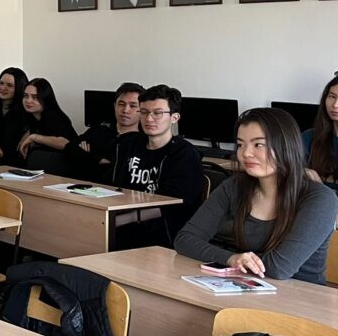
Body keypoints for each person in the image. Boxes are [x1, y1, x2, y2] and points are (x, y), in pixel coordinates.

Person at [175, 108, 338, 284]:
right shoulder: (234, 186)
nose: (246, 153)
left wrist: (233, 259)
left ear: (285, 145)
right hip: (246, 285)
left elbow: (279, 268)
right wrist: (232, 258)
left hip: (300, 295)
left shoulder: (320, 199)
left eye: (258, 145)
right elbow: (185, 240)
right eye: (240, 145)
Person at [104, 84, 203, 240]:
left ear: (174, 118)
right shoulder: (128, 145)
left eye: (157, 113)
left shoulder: (185, 155)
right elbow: (115, 187)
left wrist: (122, 219)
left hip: (162, 231)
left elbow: (173, 204)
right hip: (121, 220)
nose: (149, 119)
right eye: (144, 112)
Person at [62, 82, 144, 179]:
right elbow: (70, 149)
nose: (125, 110)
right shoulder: (99, 130)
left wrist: (86, 157)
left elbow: (120, 172)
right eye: (121, 104)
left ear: (143, 110)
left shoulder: (143, 140)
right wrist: (98, 159)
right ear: (115, 106)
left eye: (133, 106)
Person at [11, 78, 79, 165]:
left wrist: (33, 137)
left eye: (35, 97)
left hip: (67, 164)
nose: (28, 100)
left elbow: (65, 144)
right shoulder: (33, 115)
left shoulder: (51, 116)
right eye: (25, 96)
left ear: (45, 98)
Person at [302, 73, 338, 192]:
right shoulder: (309, 137)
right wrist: (303, 171)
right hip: (315, 199)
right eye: (332, 97)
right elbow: (283, 162)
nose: (335, 105)